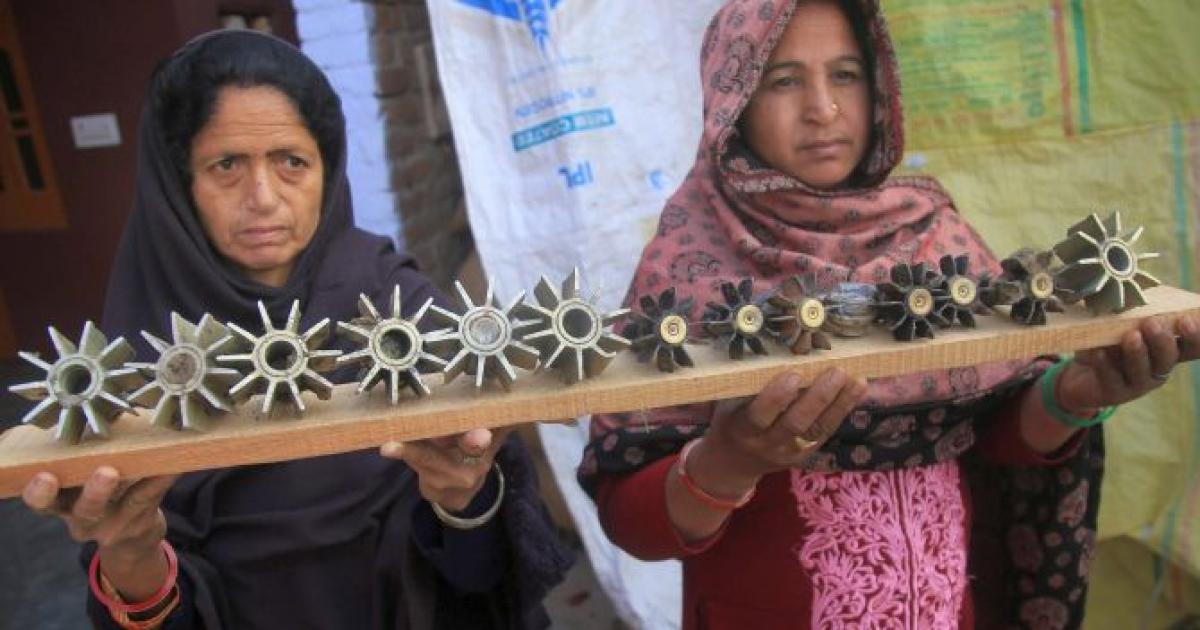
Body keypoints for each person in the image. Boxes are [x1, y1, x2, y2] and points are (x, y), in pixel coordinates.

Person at [578, 1, 1200, 628]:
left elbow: (994, 437)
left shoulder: (936, 237)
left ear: (878, 85)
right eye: (784, 80)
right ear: (732, 99)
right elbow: (629, 520)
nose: (823, 108)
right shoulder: (689, 264)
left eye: (845, 74)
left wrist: (1073, 395)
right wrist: (729, 460)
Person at [20, 30, 571, 629]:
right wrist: (131, 558)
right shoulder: (139, 352)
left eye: (291, 162)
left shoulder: (399, 307)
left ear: (326, 170)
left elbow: (488, 572)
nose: (262, 197)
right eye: (226, 165)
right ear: (180, 183)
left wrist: (464, 501)